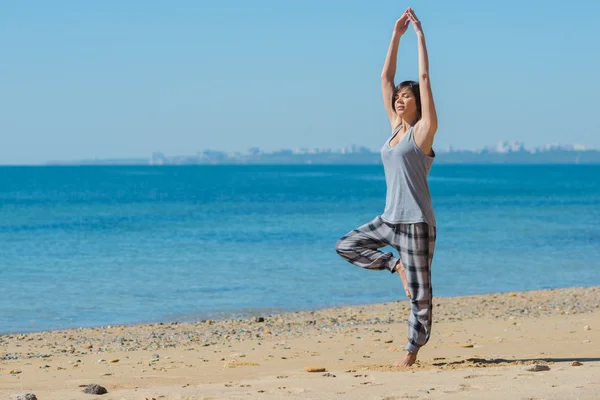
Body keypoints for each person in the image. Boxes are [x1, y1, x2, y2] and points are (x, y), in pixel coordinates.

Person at [335, 7, 438, 368]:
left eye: (406, 97)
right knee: (346, 244)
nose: (399, 98)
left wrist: (421, 37)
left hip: (416, 223)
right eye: (398, 96)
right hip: (390, 218)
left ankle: (410, 352)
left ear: (418, 104)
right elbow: (384, 76)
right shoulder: (395, 126)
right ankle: (395, 267)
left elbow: (424, 77)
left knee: (421, 296)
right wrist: (396, 35)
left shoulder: (422, 132)